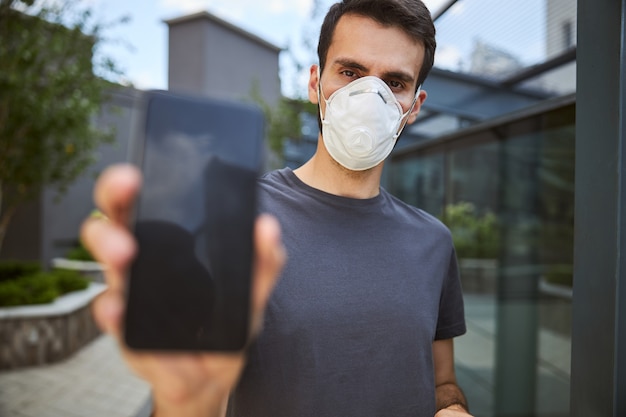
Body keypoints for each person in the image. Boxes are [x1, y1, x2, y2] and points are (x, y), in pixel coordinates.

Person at [81, 0, 473, 416]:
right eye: (351, 72)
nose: (368, 97)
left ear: (414, 106)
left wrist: (453, 410)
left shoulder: (432, 241)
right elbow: (193, 390)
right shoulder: (239, 223)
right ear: (314, 83)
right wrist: (185, 403)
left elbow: (441, 382)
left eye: (394, 83)